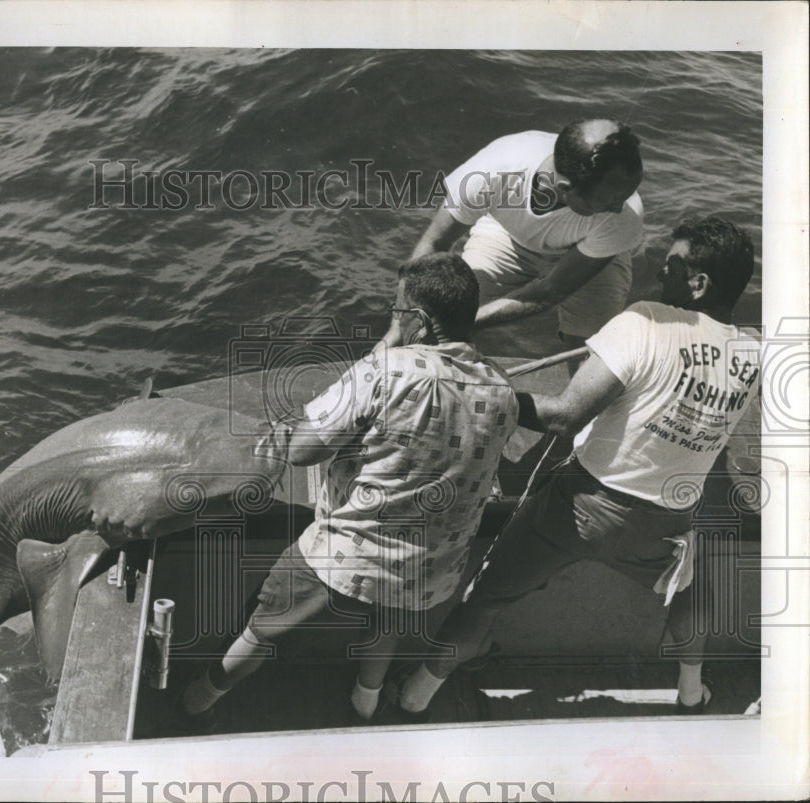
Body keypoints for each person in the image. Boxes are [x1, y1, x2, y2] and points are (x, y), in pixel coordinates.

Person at [388, 216, 760, 720]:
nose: (659, 274)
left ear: (698, 284)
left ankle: (415, 695)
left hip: (579, 506)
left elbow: (565, 416)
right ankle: (692, 692)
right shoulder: (752, 351)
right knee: (688, 593)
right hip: (663, 523)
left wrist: (482, 392)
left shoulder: (645, 320)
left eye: (671, 267)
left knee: (487, 597)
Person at [179, 253, 519, 729]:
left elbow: (301, 450)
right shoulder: (503, 390)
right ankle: (366, 703)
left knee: (266, 624)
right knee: (391, 616)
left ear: (419, 321)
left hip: (348, 552)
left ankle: (198, 700)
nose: (392, 318)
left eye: (397, 311)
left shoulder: (386, 369)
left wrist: (383, 349)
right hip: (431, 566)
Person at [413, 118, 644, 347]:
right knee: (448, 310)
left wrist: (458, 324)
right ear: (565, 189)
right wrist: (406, 318)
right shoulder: (491, 172)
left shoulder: (623, 217)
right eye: (610, 202)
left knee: (591, 350)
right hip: (507, 235)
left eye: (626, 196)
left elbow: (551, 290)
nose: (618, 208)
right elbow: (434, 244)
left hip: (591, 253)